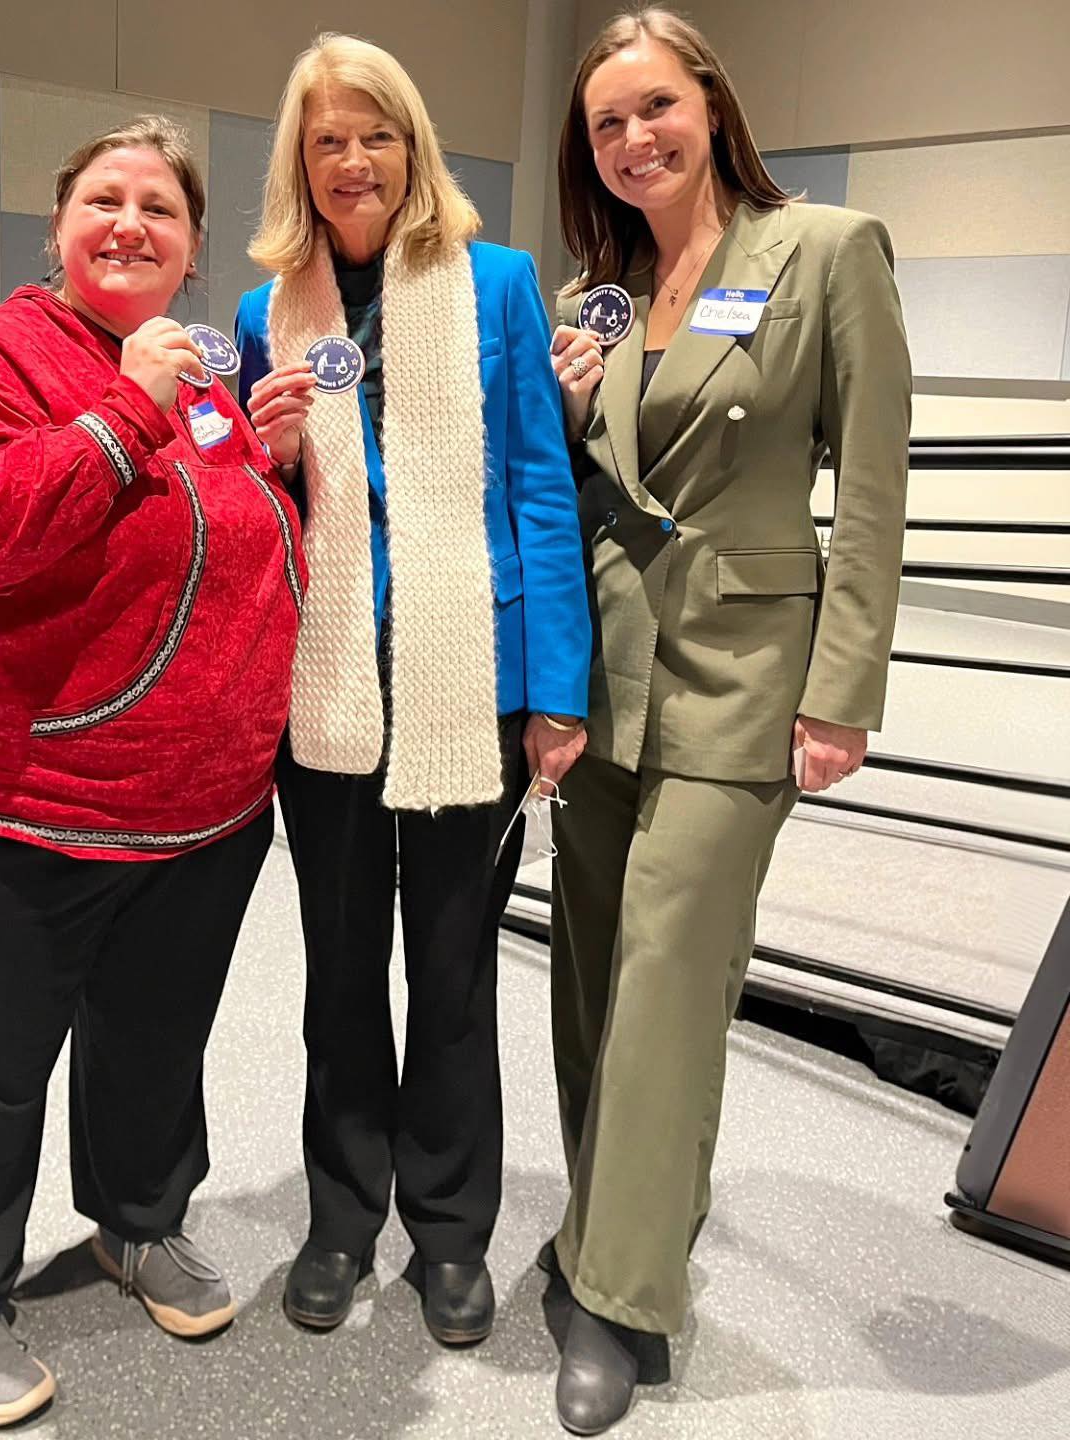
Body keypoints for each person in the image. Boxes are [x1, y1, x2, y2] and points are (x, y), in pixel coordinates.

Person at [0, 117, 305, 1428]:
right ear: (57, 227)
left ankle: (137, 1220)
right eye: (105, 200)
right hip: (15, 797)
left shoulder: (204, 383)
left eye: (160, 209)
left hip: (201, 807)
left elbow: (226, 538)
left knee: (155, 1043)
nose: (130, 224)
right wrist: (127, 410)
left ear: (194, 249)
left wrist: (271, 461)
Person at [545, 6, 911, 1432]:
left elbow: (871, 487)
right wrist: (570, 411)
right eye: (606, 123)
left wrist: (842, 690)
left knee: (670, 979)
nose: (634, 138)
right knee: (589, 970)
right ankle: (600, 1220)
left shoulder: (825, 252)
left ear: (710, 103)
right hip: (605, 673)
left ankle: (619, 1295)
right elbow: (580, 490)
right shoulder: (602, 295)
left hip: (746, 669)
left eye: (655, 107)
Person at [236, 34, 592, 1346]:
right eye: (327, 139)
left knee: (450, 977)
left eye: (375, 134)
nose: (353, 161)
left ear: (413, 146)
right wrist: (269, 455)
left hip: (468, 681)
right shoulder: (264, 313)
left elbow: (541, 489)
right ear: (301, 159)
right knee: (340, 975)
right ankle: (341, 1220)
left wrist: (559, 689)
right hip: (326, 680)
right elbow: (256, 510)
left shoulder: (497, 285)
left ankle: (448, 1232)